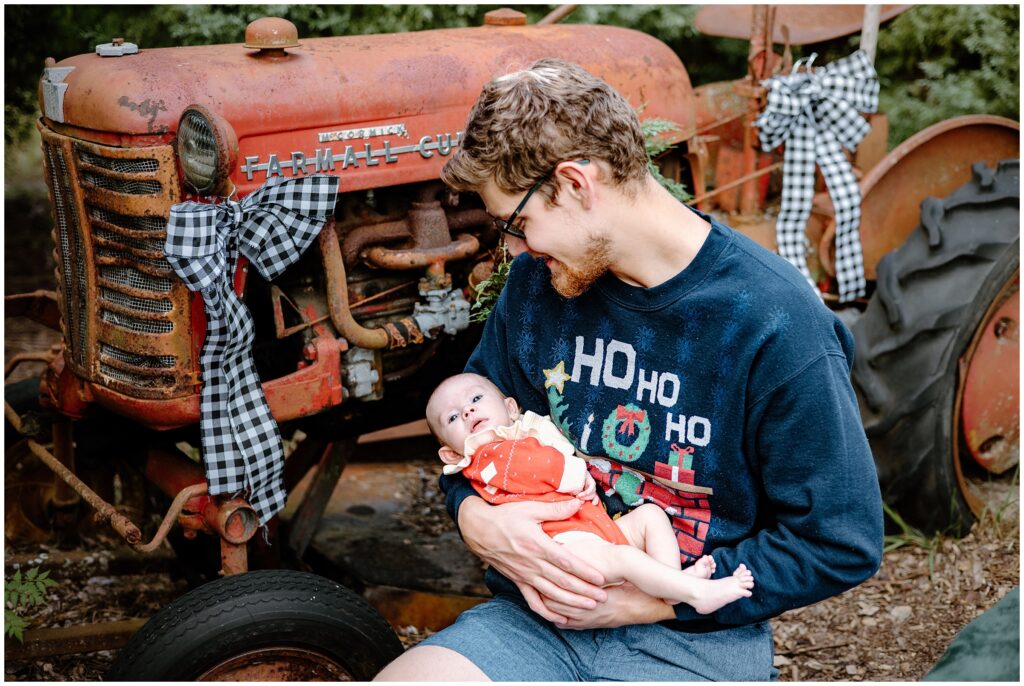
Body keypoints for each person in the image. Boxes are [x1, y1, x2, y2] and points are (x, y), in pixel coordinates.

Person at [375, 57, 883, 682]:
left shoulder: (776, 323)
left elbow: (839, 541)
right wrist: (473, 518)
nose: (512, 250)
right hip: (536, 625)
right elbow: (471, 438)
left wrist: (654, 598)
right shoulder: (537, 286)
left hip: (693, 636)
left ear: (576, 184)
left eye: (517, 224)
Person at [426, 371, 755, 615]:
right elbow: (536, 468)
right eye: (453, 417)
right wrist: (573, 474)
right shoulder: (486, 456)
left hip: (590, 528)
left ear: (511, 408)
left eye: (475, 399)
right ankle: (697, 594)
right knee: (624, 558)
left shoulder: (525, 430)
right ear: (451, 455)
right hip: (562, 548)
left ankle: (671, 584)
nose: (467, 411)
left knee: (651, 517)